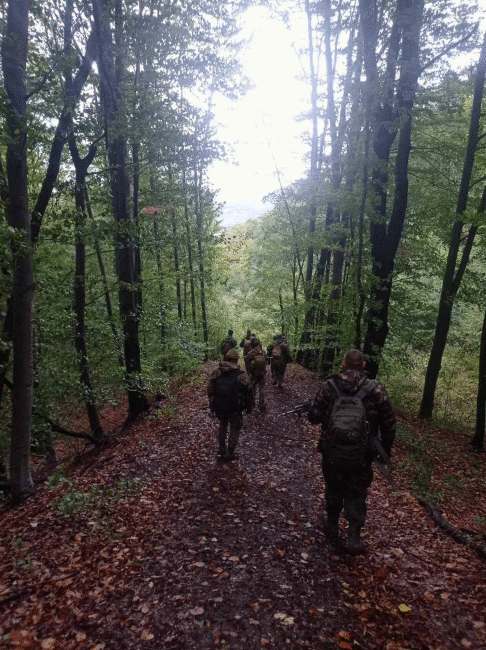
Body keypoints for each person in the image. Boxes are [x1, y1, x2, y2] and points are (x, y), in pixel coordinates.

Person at [307, 349, 395, 554]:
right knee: (357, 492)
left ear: (343, 364)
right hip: (362, 455)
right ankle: (354, 537)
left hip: (332, 451)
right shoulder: (375, 390)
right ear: (363, 365)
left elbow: (313, 417)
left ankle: (331, 524)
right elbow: (389, 423)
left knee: (333, 485)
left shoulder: (329, 387)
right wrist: (385, 451)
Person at [207, 348, 253, 463]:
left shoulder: (217, 372)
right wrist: (249, 406)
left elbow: (209, 390)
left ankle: (221, 449)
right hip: (235, 407)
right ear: (236, 360)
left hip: (220, 406)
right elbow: (249, 390)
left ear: (226, 358)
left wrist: (212, 403)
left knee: (223, 425)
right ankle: (230, 452)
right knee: (235, 427)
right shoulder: (241, 375)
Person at [244, 337, 267, 411]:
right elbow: (266, 361)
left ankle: (252, 404)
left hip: (253, 374)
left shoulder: (250, 353)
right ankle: (261, 405)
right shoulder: (263, 352)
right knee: (262, 390)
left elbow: (247, 362)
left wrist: (248, 372)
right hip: (262, 373)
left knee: (252, 389)